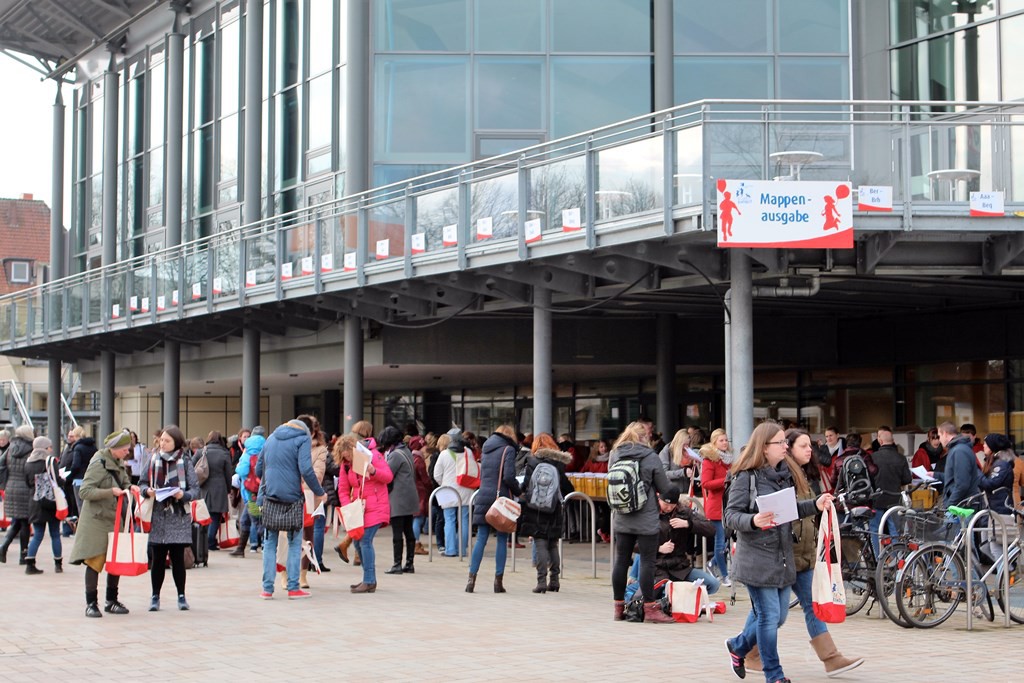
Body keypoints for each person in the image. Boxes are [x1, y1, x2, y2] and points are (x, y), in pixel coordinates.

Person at [723, 421, 833, 683]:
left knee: (779, 617)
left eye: (785, 441)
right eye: (780, 442)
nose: (785, 446)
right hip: (756, 560)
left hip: (782, 558)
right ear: (764, 447)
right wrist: (753, 520)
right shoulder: (746, 477)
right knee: (769, 616)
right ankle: (774, 675)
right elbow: (730, 516)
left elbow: (790, 510)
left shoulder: (783, 475)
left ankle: (738, 646)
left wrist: (815, 505)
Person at [766, 428, 863, 677]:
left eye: (810, 445)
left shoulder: (803, 475)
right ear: (788, 448)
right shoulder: (783, 475)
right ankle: (744, 647)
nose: (810, 450)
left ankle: (831, 658)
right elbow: (788, 513)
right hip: (786, 556)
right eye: (803, 446)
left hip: (804, 554)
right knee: (773, 615)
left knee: (811, 605)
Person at [68, 430, 140, 618]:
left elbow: (123, 482)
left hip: (115, 519)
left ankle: (111, 601)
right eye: (125, 449)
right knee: (94, 561)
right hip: (97, 521)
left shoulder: (118, 461)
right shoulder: (98, 463)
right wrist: (110, 492)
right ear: (114, 448)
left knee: (115, 561)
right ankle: (91, 603)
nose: (127, 452)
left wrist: (130, 487)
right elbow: (85, 491)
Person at [256, 415, 327, 600]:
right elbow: (306, 469)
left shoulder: (271, 438)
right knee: (295, 543)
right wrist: (320, 492)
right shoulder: (303, 438)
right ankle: (294, 588)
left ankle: (267, 589)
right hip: (293, 499)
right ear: (307, 430)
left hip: (270, 497)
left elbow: (258, 468)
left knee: (270, 544)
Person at [609, 421, 673, 623]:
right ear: (644, 437)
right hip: (646, 518)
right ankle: (650, 609)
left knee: (621, 560)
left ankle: (618, 608)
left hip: (622, 515)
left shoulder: (615, 454)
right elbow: (664, 487)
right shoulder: (650, 456)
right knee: (647, 562)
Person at [140, 425, 201, 611]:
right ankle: (155, 596)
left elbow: (195, 489)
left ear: (176, 442)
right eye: (161, 440)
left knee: (177, 558)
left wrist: (183, 495)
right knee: (157, 558)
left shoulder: (185, 461)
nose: (163, 443)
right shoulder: (153, 458)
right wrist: (148, 491)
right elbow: (142, 483)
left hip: (178, 516)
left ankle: (181, 596)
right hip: (158, 515)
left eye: (167, 441)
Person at [466, 425, 522, 594]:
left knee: (481, 538)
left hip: (483, 496)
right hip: (500, 499)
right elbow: (508, 477)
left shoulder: (486, 449)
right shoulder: (508, 450)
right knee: (502, 539)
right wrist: (519, 491)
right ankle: (498, 582)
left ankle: (471, 580)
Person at [336, 431, 393, 593]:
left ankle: (369, 581)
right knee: (357, 542)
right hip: (358, 509)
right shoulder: (345, 465)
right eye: (345, 458)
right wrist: (348, 507)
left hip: (376, 505)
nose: (348, 460)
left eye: (349, 456)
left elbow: (388, 477)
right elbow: (343, 488)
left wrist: (374, 471)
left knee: (365, 541)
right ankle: (369, 579)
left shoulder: (373, 456)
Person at [519, 437, 575, 594]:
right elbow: (568, 488)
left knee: (540, 543)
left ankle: (541, 582)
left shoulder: (532, 462)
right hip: (554, 509)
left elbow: (526, 485)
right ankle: (555, 581)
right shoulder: (558, 463)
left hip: (535, 508)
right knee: (552, 544)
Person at [653, 485, 719, 593]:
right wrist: (659, 548)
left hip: (680, 567)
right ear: (659, 499)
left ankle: (691, 600)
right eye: (666, 504)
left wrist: (688, 524)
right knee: (664, 593)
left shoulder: (684, 512)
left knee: (713, 584)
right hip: (657, 568)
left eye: (672, 505)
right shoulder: (648, 513)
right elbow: (634, 544)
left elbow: (711, 529)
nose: (668, 508)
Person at [868, 426, 912, 557]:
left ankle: (878, 559)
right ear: (892, 441)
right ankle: (896, 559)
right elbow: (907, 479)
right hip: (894, 500)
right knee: (895, 531)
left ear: (880, 441)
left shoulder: (872, 458)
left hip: (877, 499)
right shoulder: (900, 458)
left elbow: (868, 479)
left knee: (875, 530)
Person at [23, 436, 64, 575]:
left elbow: (28, 483)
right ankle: (58, 565)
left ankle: (30, 564)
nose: (51, 449)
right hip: (51, 502)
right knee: (55, 534)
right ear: (45, 448)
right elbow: (56, 480)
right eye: (49, 447)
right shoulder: (50, 461)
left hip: (35, 502)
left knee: (37, 535)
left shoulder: (28, 462)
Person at [381, 426, 419, 575]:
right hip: (410, 495)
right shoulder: (406, 451)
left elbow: (386, 475)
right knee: (409, 531)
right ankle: (409, 563)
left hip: (398, 497)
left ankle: (397, 564)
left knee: (397, 533)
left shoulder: (395, 455)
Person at [700, 427, 733, 587]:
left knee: (726, 541)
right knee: (720, 542)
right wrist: (725, 480)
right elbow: (705, 483)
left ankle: (713, 563)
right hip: (716, 507)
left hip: (728, 505)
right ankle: (724, 575)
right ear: (714, 442)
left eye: (726, 440)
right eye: (721, 440)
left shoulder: (729, 460)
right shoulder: (709, 460)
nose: (725, 443)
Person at [433, 431, 474, 558]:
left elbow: (436, 475)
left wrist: (444, 483)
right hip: (466, 490)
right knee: (464, 520)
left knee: (449, 520)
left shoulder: (444, 454)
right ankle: (462, 550)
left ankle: (450, 550)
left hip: (448, 490)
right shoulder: (468, 452)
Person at [978, 433, 1017, 562]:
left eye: (986, 444)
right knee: (984, 546)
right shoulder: (994, 462)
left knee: (995, 547)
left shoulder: (1002, 465)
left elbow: (991, 484)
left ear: (993, 447)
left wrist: (976, 473)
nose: (983, 446)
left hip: (999, 512)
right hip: (990, 511)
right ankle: (1005, 569)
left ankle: (1007, 570)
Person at [0, 424, 35, 564]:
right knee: (25, 522)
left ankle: (4, 547)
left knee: (18, 521)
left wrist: (5, 482)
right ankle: (23, 555)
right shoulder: (31, 449)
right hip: (26, 489)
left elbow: (1, 464)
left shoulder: (10, 448)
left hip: (11, 487)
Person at [196, 430, 234, 552]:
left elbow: (192, 467)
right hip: (219, 487)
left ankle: (203, 540)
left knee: (204, 514)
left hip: (204, 487)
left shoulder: (201, 451)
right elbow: (228, 473)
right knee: (215, 516)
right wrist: (229, 489)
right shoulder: (224, 453)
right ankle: (210, 541)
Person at [232, 426, 266, 556]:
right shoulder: (265, 450)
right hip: (260, 490)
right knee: (245, 520)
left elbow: (242, 471)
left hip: (250, 492)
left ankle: (270, 545)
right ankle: (240, 549)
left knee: (256, 520)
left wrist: (238, 466)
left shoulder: (248, 453)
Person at [935, 421, 981, 508]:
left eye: (939, 436)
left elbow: (962, 484)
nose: (939, 440)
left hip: (962, 506)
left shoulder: (959, 450)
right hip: (961, 504)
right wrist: (935, 475)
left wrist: (950, 505)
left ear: (945, 433)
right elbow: (954, 478)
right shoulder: (957, 449)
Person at [410, 436, 432, 556]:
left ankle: (413, 543)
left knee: (414, 518)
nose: (425, 448)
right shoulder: (419, 460)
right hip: (420, 493)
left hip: (412, 491)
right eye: (423, 446)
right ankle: (416, 543)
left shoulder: (410, 458)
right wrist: (430, 487)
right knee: (418, 518)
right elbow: (425, 479)